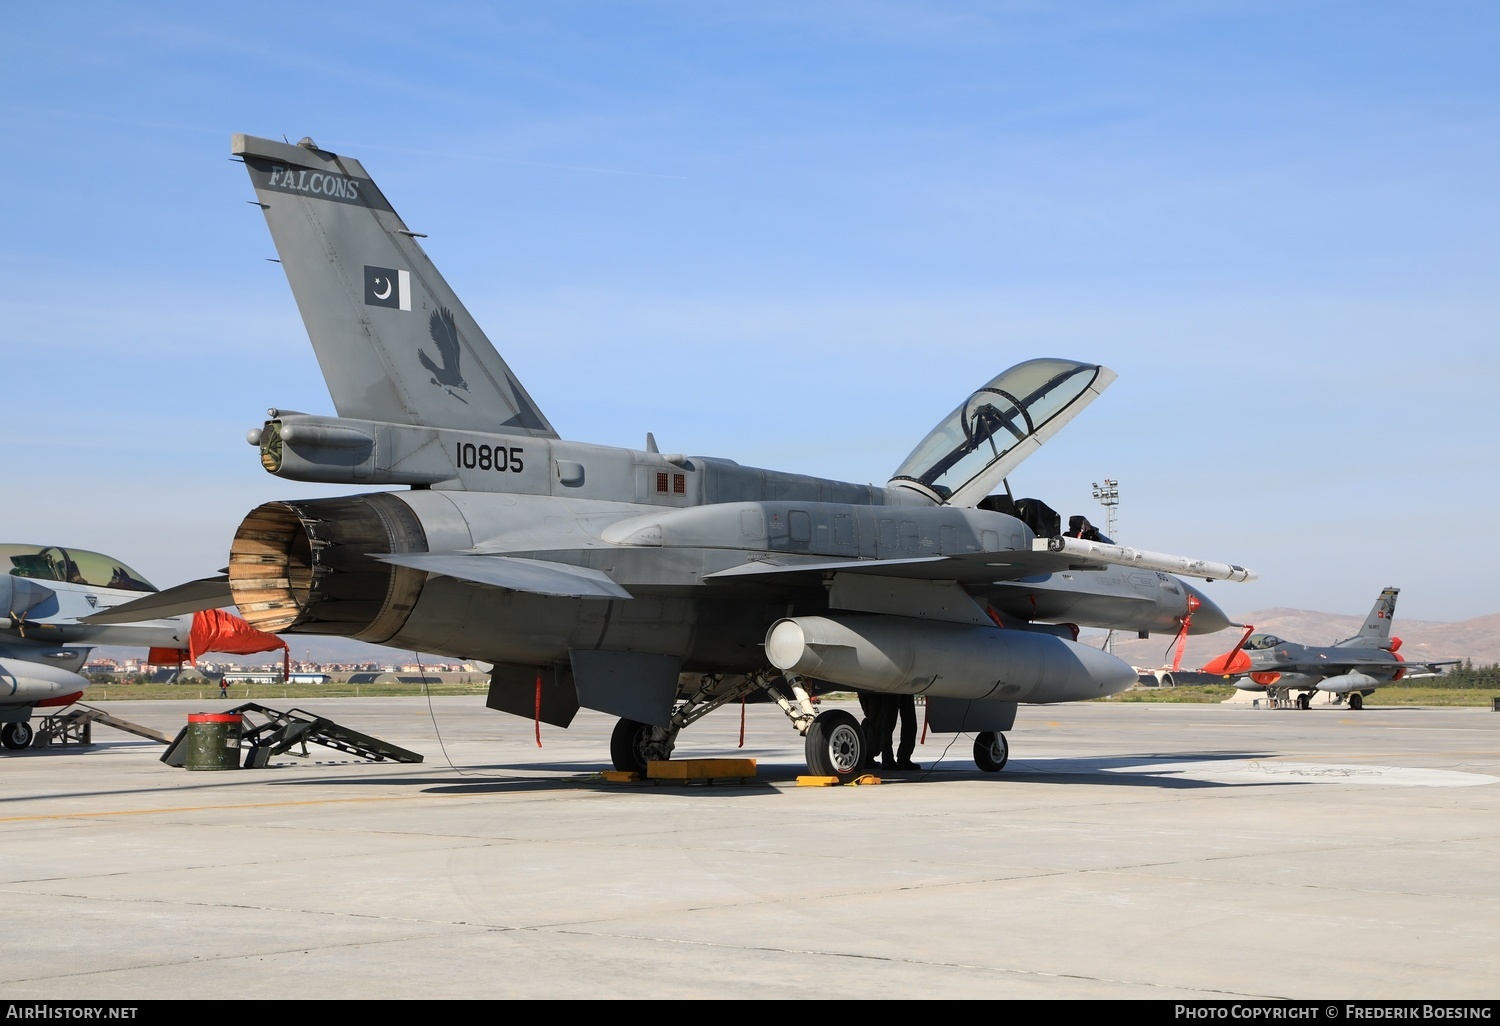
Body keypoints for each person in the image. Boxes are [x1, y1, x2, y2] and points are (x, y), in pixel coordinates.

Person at [882, 694, 920, 771]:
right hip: (892, 687)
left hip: (906, 687)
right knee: (888, 722)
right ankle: (887, 758)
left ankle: (904, 757)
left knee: (910, 722)